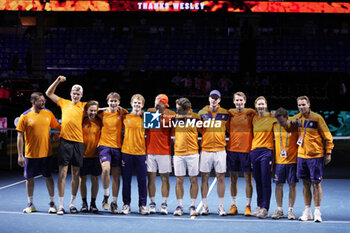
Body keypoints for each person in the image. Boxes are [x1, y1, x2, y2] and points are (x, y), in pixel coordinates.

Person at [46, 75, 86, 215]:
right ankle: (61, 205)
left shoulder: (84, 106)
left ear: (81, 95)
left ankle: (72, 204)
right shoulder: (63, 102)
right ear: (70, 94)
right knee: (62, 174)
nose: (76, 95)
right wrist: (57, 81)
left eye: (78, 93)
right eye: (74, 93)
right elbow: (48, 93)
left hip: (78, 143)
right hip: (65, 142)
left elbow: (99, 108)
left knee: (76, 175)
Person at [16, 92, 60, 213]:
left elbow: (58, 127)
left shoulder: (48, 113)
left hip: (46, 153)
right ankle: (30, 204)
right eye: (41, 100)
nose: (43, 102)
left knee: (48, 177)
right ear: (33, 101)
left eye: (44, 100)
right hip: (30, 155)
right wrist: (20, 155)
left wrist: (58, 135)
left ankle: (52, 204)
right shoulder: (24, 116)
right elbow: (19, 135)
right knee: (29, 178)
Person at [293, 96, 333, 223]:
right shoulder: (297, 118)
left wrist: (328, 153)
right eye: (299, 105)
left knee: (316, 184)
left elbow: (328, 136)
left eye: (303, 104)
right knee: (305, 184)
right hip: (301, 156)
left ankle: (317, 211)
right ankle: (307, 211)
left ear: (309, 104)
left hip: (315, 156)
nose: (301, 107)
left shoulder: (317, 118)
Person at [198, 90, 229, 216]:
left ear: (220, 100)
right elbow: (200, 129)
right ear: (209, 98)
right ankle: (204, 206)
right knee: (204, 177)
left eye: (216, 98)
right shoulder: (202, 113)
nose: (214, 100)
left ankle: (221, 207)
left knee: (221, 178)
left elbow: (229, 128)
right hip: (206, 149)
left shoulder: (225, 113)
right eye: (212, 97)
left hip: (220, 150)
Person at [226, 92, 256, 216]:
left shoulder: (250, 113)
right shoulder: (230, 114)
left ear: (245, 101)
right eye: (237, 100)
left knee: (248, 179)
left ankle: (248, 206)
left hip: (246, 151)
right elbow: (227, 129)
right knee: (233, 179)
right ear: (234, 101)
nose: (239, 103)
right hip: (232, 150)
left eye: (241, 100)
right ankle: (233, 205)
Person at [98, 92, 127, 213]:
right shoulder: (102, 113)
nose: (113, 103)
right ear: (107, 101)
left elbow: (133, 112)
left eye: (116, 101)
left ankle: (114, 203)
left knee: (116, 176)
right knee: (105, 169)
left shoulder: (122, 113)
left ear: (119, 102)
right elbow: (91, 108)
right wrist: (103, 108)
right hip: (104, 146)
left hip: (117, 147)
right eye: (111, 101)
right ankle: (106, 196)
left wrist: (122, 109)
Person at [146, 94, 175, 215]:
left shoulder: (172, 115)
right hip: (150, 152)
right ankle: (152, 203)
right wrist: (157, 113)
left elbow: (173, 135)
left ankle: (164, 204)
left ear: (165, 104)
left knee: (165, 179)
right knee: (151, 179)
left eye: (160, 103)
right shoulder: (150, 112)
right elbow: (148, 128)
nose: (157, 105)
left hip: (164, 152)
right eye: (156, 102)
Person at [121, 94, 149, 215]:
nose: (137, 105)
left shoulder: (146, 118)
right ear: (131, 104)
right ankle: (126, 204)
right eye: (135, 103)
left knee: (142, 181)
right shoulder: (124, 116)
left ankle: (142, 205)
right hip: (126, 153)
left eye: (139, 103)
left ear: (142, 105)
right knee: (126, 181)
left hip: (141, 153)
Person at [172, 98, 200, 216]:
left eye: (179, 108)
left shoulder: (196, 117)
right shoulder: (174, 118)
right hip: (178, 153)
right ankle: (180, 206)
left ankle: (192, 206)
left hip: (193, 153)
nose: (178, 110)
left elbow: (203, 130)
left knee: (193, 180)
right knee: (179, 180)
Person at [250, 96, 276, 219]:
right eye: (258, 104)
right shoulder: (253, 118)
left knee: (266, 181)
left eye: (262, 104)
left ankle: (265, 208)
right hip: (254, 151)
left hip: (267, 152)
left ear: (266, 105)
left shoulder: (272, 117)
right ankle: (259, 206)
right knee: (258, 181)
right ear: (255, 106)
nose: (260, 106)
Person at [271, 107, 298, 220]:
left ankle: (290, 210)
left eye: (282, 121)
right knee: (278, 185)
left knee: (292, 185)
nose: (280, 123)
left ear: (287, 118)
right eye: (278, 121)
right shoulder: (275, 125)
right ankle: (279, 209)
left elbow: (298, 118)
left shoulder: (294, 124)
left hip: (292, 161)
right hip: (279, 161)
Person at [80, 100, 102, 213]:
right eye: (91, 110)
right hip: (82, 155)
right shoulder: (82, 120)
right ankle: (84, 203)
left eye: (95, 110)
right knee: (82, 179)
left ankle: (93, 203)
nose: (93, 112)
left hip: (95, 155)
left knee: (95, 179)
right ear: (86, 110)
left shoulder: (100, 121)